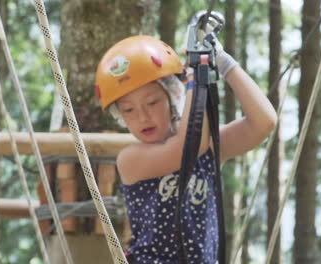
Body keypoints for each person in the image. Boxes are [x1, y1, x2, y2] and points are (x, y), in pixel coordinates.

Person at [95, 34, 277, 264]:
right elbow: (188, 146)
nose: (142, 117)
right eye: (129, 110)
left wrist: (223, 62)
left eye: (152, 103)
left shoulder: (206, 146)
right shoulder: (131, 159)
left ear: (173, 95)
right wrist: (196, 75)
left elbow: (264, 122)